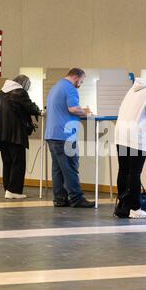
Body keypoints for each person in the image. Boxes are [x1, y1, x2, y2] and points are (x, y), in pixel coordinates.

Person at [114, 68, 146, 219]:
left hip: (121, 133)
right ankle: (135, 208)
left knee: (123, 170)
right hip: (137, 135)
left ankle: (122, 206)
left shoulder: (134, 88)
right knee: (135, 172)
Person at [45, 68, 95, 208]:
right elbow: (73, 108)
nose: (81, 84)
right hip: (64, 135)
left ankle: (59, 199)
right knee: (70, 167)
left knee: (58, 169)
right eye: (81, 81)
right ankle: (76, 198)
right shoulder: (70, 89)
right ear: (75, 77)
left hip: (52, 134)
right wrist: (87, 113)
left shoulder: (56, 87)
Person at [0, 75, 41, 200]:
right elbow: (31, 108)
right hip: (16, 134)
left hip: (1, 134)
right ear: (24, 84)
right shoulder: (20, 92)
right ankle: (14, 190)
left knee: (7, 162)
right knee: (18, 162)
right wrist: (38, 109)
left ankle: (7, 189)